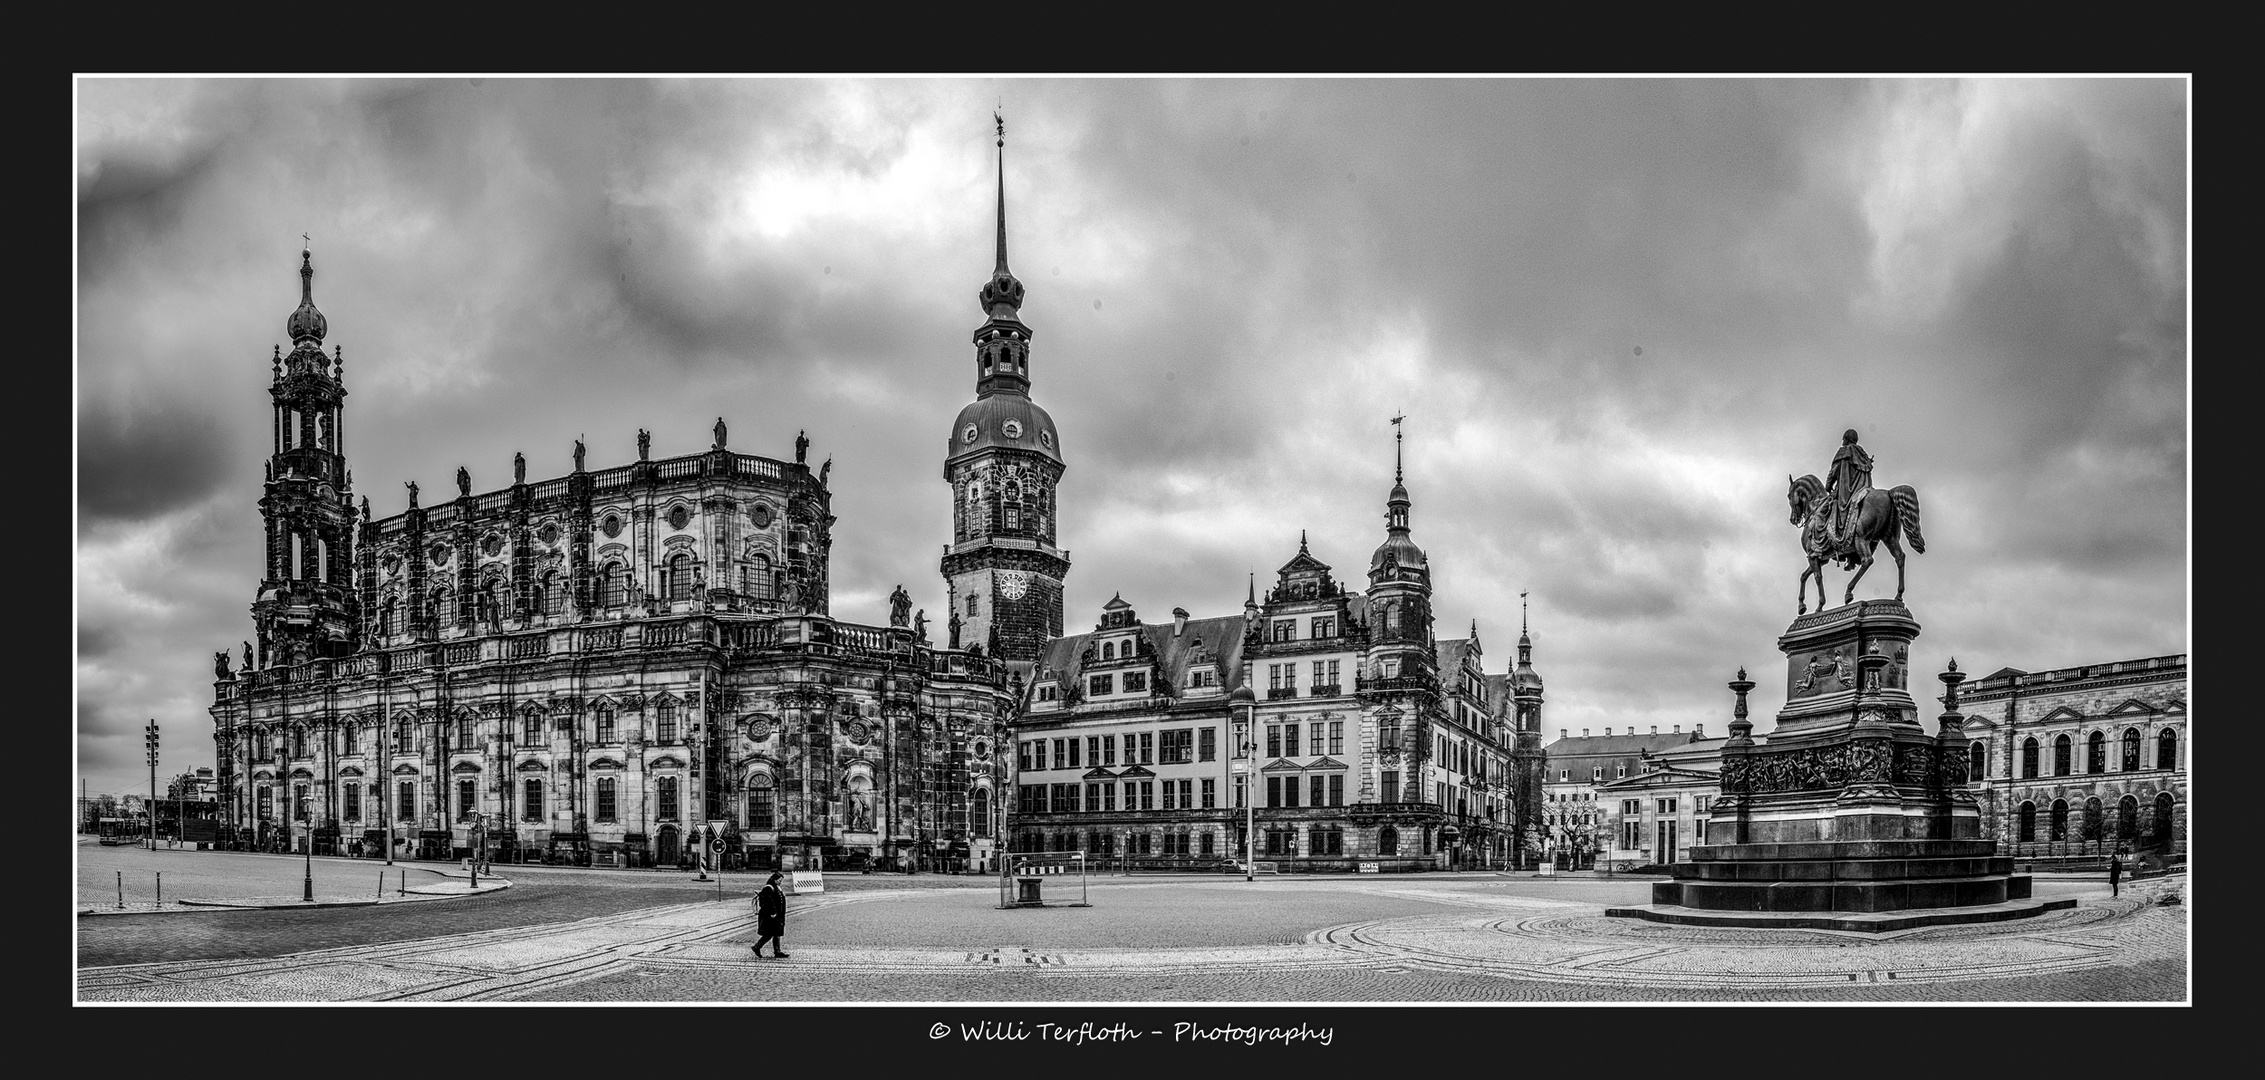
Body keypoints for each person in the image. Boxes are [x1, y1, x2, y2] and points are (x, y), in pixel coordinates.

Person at [1825, 428, 1873, 548]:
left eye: (1843, 439)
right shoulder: (1862, 453)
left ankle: (1825, 544)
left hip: (1847, 493)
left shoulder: (1843, 451)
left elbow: (1833, 472)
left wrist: (1828, 486)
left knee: (1825, 510)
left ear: (1846, 439)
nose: (1842, 441)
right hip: (1863, 489)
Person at [752, 872, 789, 958]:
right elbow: (768, 902)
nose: (780, 882)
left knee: (776, 933)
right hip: (770, 915)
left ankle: (777, 951)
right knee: (769, 933)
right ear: (774, 880)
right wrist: (773, 912)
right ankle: (757, 947)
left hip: (777, 915)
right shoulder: (768, 888)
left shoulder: (777, 887)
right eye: (779, 880)